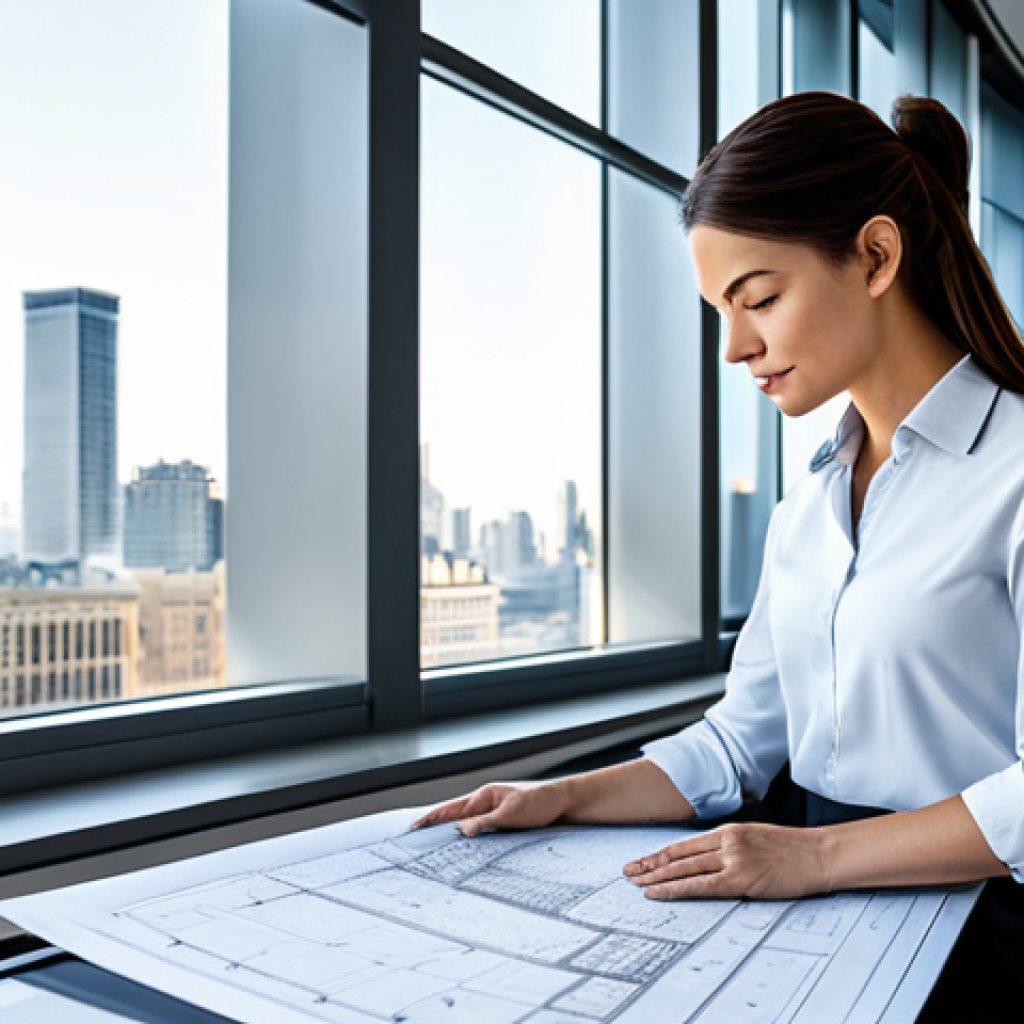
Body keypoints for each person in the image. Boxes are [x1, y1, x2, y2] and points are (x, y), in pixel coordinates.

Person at [413, 92, 1024, 1022]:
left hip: (982, 940)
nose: (737, 346)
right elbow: (740, 743)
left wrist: (814, 858)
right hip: (820, 927)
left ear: (875, 256)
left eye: (760, 298)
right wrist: (562, 798)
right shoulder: (808, 505)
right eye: (719, 311)